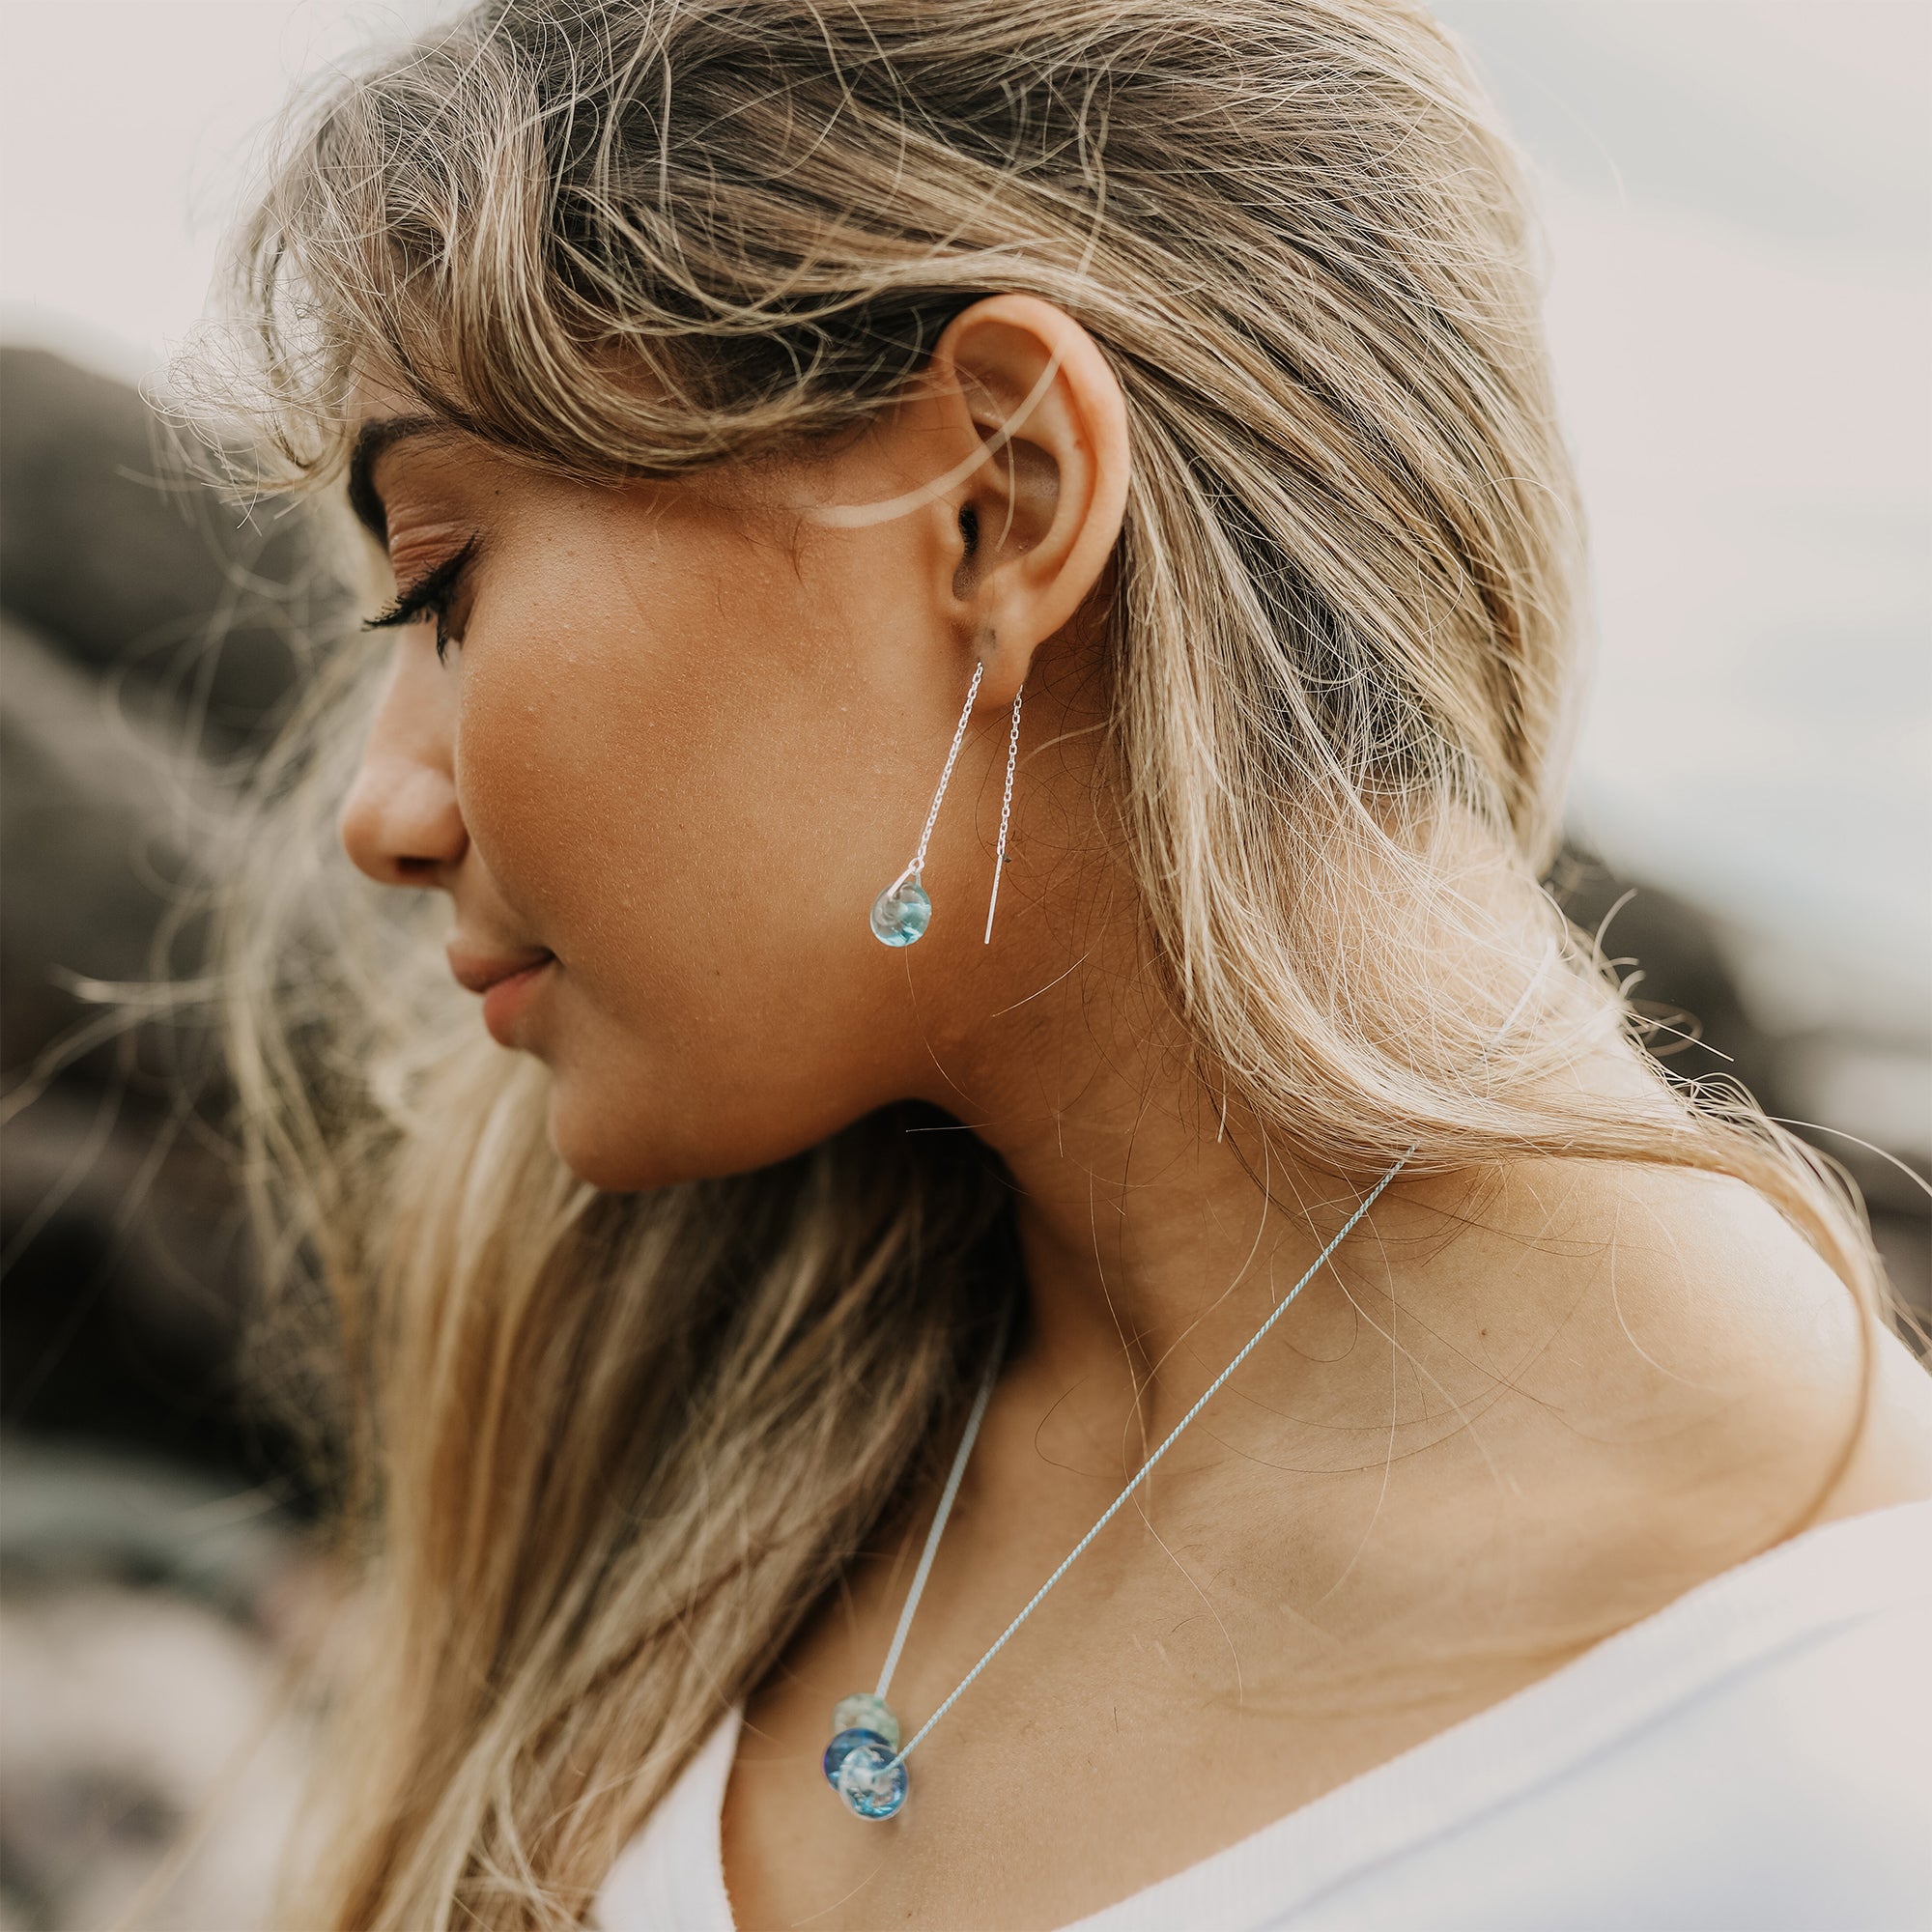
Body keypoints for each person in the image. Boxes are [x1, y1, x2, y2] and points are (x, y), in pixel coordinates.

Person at [183, 1, 1932, 1926]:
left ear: (996, 502)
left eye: (443, 580)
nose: (381, 809)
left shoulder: (1842, 1761)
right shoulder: (721, 1397)